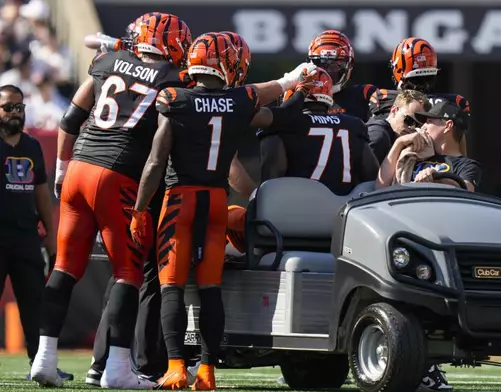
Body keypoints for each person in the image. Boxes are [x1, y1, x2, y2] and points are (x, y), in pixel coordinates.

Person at [129, 32, 317, 390]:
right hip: (216, 202)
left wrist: (139, 209)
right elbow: (272, 105)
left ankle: (175, 367)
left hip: (180, 201)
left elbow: (155, 162)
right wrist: (296, 82)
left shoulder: (175, 99)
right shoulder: (239, 100)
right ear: (229, 64)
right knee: (209, 288)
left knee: (171, 287)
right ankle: (206, 371)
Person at [29, 13, 193, 389]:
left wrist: (60, 170)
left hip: (78, 168)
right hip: (117, 174)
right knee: (128, 272)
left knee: (64, 268)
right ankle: (118, 369)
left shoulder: (105, 63)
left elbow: (70, 120)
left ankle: (44, 359)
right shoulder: (174, 78)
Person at [225, 68, 380, 256]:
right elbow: (372, 178)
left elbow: (271, 181)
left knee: (229, 215)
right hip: (340, 227)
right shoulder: (354, 125)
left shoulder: (282, 125)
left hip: (287, 227)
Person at [0, 84, 72, 381]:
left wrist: (52, 238)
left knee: (35, 304)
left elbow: (42, 194)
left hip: (27, 236)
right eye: (8, 107)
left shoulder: (31, 146)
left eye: (19, 107)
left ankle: (40, 363)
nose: (14, 113)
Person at [369, 37, 471, 159]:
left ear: (398, 68)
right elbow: (461, 155)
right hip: (438, 170)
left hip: (393, 168)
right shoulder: (453, 103)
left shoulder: (381, 98)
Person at [376, 99, 481, 193]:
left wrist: (437, 178)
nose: (423, 127)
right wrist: (399, 143)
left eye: (429, 122)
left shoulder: (466, 165)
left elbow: (466, 193)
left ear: (448, 126)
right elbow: (380, 187)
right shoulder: (416, 152)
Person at [306, 30, 377, 122]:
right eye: (322, 64)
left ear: (349, 65)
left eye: (334, 66)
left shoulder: (365, 94)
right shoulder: (299, 95)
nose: (327, 73)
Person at [367, 89, 430, 164]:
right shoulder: (379, 135)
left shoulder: (398, 139)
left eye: (418, 125)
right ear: (394, 110)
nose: (412, 128)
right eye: (409, 120)